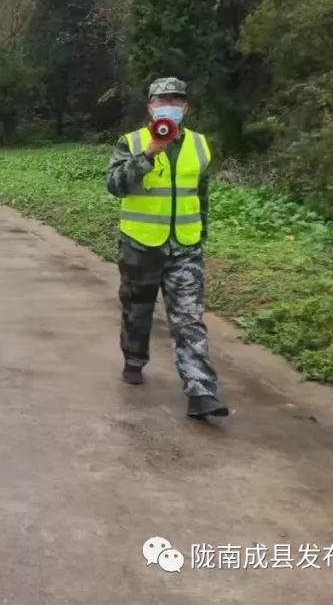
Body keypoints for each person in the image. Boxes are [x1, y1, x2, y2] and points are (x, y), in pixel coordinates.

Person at [106, 77, 229, 420]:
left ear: (186, 107)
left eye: (176, 99)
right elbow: (114, 185)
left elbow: (201, 196)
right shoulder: (131, 142)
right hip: (140, 245)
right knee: (137, 309)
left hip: (185, 248)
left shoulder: (200, 146)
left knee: (189, 319)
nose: (169, 105)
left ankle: (201, 390)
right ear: (150, 107)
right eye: (162, 100)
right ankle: (134, 358)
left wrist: (200, 234)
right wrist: (148, 155)